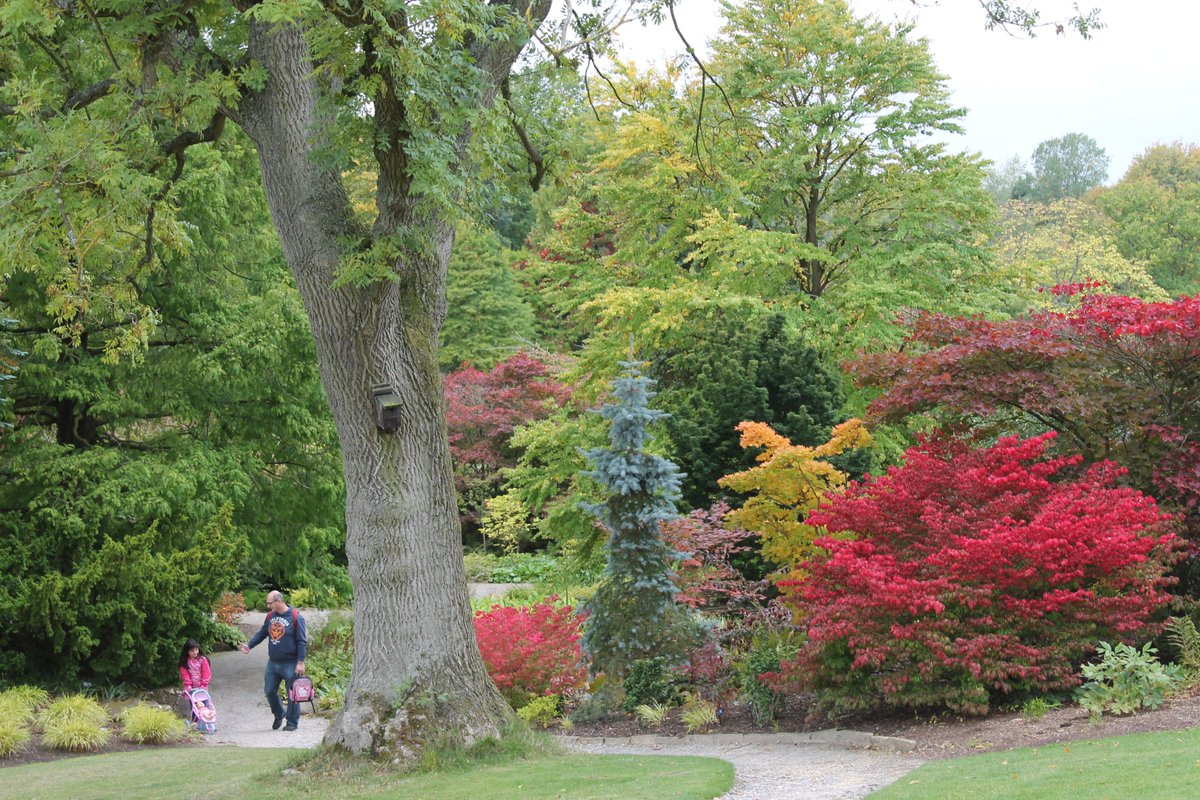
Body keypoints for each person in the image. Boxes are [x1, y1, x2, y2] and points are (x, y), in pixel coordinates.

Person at [238, 590, 307, 731]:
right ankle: (279, 713)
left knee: (292, 693)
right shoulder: (270, 616)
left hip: (290, 663)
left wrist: (300, 662)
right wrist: (249, 645)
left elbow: (301, 642)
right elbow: (263, 632)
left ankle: (292, 723)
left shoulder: (295, 617)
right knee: (269, 691)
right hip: (273, 663)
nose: (268, 606)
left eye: (270, 603)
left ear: (279, 601)